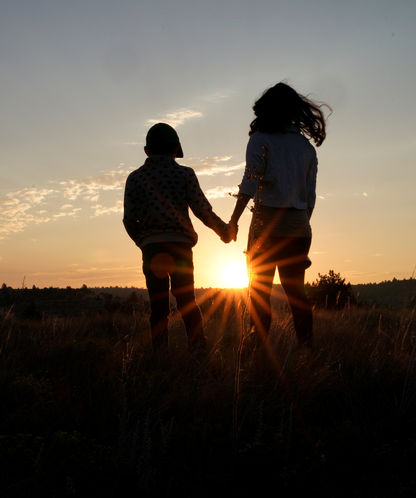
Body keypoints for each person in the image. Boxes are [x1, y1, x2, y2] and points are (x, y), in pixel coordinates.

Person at [227, 82, 327, 348]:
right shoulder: (306, 148)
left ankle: (257, 349)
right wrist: (300, 223)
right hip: (299, 226)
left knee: (260, 292)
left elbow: (249, 183)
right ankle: (308, 350)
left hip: (265, 225)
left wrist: (234, 219)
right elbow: (310, 197)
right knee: (296, 293)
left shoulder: (260, 139)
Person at [124, 123, 232, 355]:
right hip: (181, 247)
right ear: (175, 150)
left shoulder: (135, 178)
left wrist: (143, 241)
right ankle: (198, 352)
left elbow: (129, 220)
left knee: (159, 306)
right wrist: (224, 231)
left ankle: (160, 357)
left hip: (152, 249)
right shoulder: (184, 174)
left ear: (146, 151)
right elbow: (202, 210)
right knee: (187, 301)